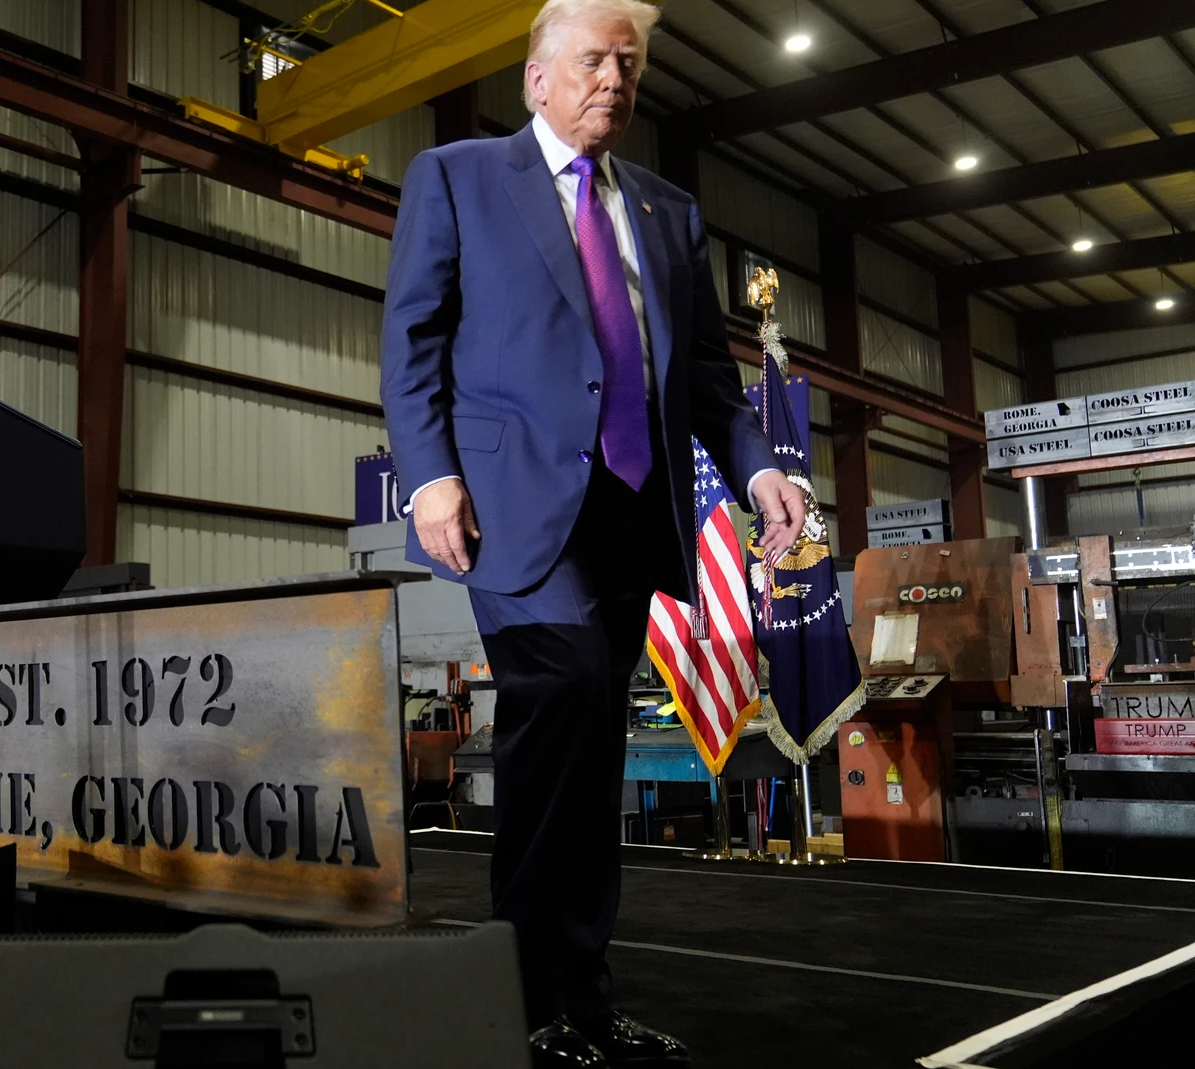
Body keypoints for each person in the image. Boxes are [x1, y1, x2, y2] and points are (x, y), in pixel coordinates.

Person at [380, 1, 806, 1064]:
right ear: (536, 78)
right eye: (590, 62)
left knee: (590, 743)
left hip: (631, 508)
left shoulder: (667, 211)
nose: (612, 80)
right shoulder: (456, 179)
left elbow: (705, 376)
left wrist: (759, 471)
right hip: (513, 504)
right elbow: (412, 334)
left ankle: (582, 1000)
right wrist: (427, 475)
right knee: (562, 688)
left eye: (628, 64)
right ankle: (520, 1004)